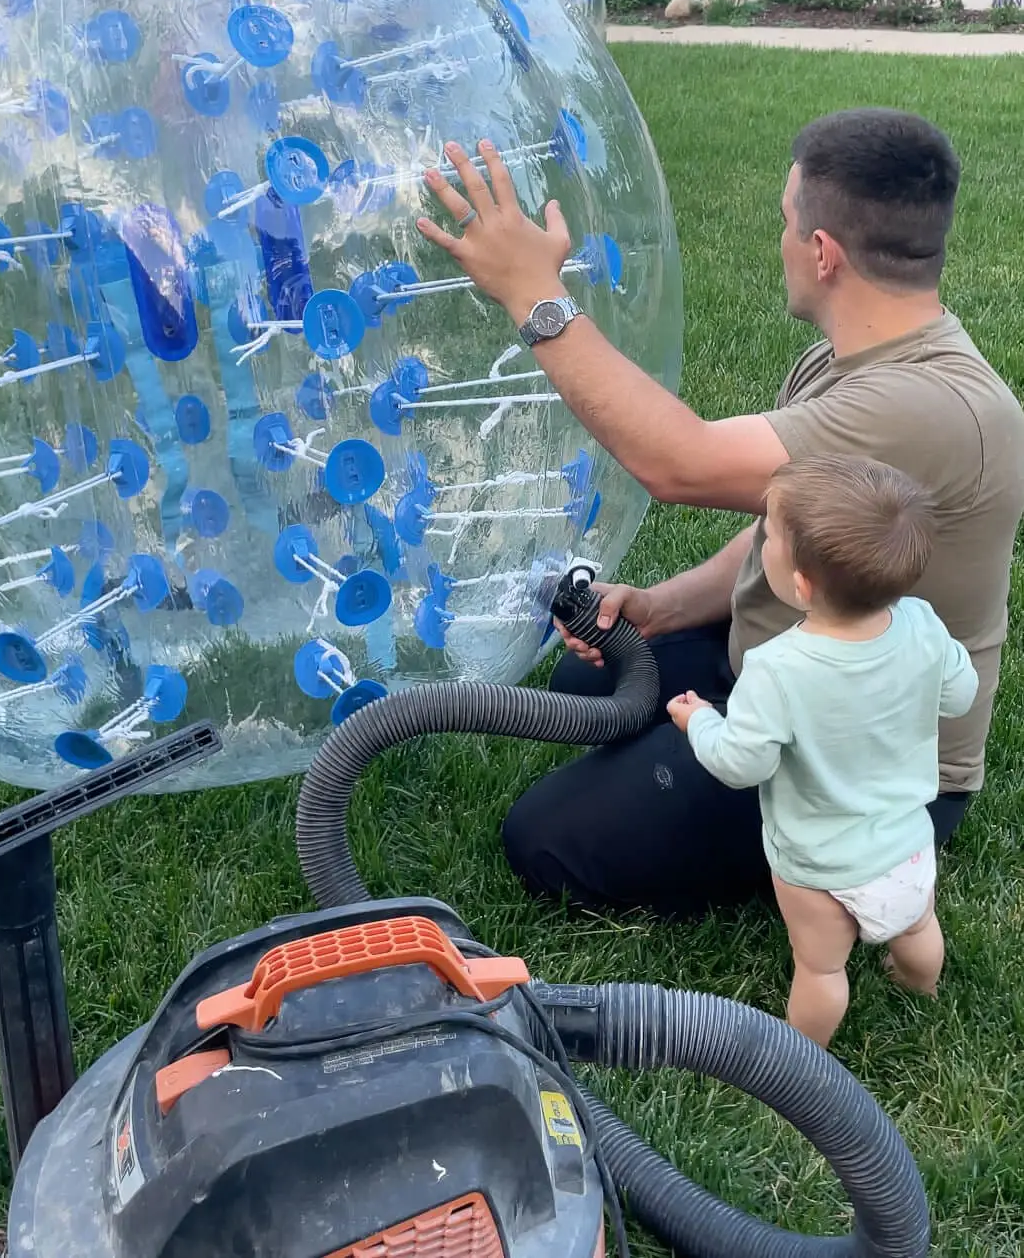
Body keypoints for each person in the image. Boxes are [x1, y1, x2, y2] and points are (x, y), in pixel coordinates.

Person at [416, 108, 1024, 917]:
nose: (780, 241)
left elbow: (679, 461)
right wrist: (662, 608)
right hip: (793, 673)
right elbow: (790, 530)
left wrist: (533, 292)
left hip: (864, 774)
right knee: (589, 674)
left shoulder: (925, 407)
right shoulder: (853, 364)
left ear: (822, 252)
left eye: (784, 220)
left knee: (543, 842)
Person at [665, 454, 977, 1048]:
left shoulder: (776, 668)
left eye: (772, 537)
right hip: (909, 843)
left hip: (820, 868)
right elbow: (960, 694)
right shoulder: (923, 624)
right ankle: (921, 991)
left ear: (801, 583)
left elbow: (740, 763)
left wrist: (700, 720)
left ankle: (802, 1060)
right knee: (917, 926)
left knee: (822, 969)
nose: (764, 541)